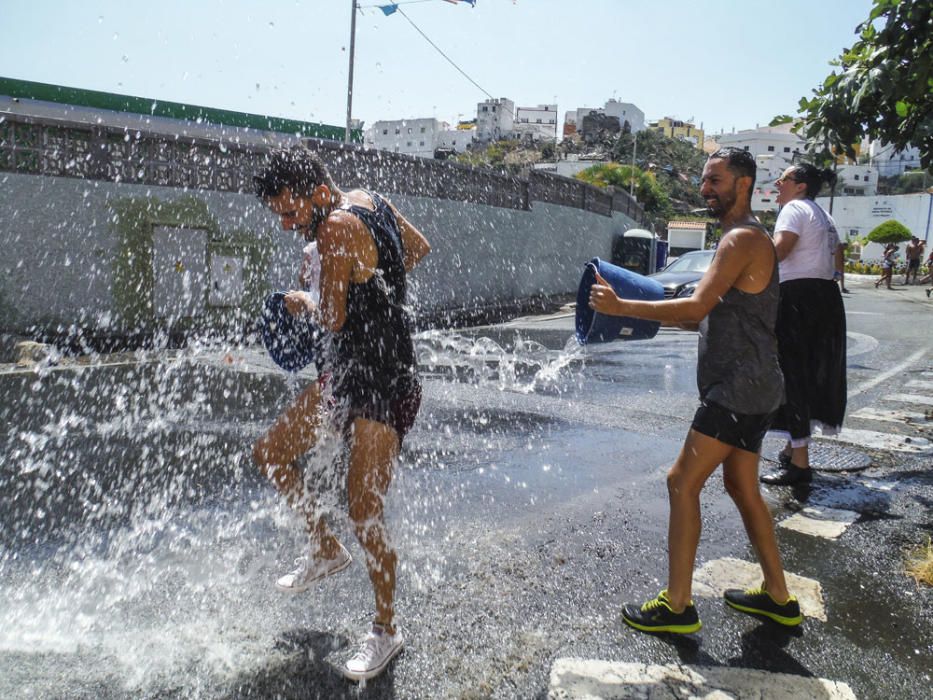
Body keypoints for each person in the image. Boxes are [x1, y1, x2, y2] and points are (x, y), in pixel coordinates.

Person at [589, 147, 801, 634]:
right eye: (704, 180)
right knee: (742, 487)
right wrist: (648, 311)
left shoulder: (740, 241)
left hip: (737, 391)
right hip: (757, 387)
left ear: (742, 184)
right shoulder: (744, 239)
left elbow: (694, 310)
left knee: (681, 481)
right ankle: (778, 597)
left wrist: (622, 308)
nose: (705, 189)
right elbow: (711, 318)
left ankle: (678, 606)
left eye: (715, 181)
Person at [252, 146, 431, 681]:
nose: (286, 225)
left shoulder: (331, 230)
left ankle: (386, 630)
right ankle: (324, 547)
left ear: (319, 194)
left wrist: (304, 298)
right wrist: (376, 281)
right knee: (272, 453)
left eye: (289, 212)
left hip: (383, 380)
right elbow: (417, 248)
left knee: (363, 509)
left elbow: (329, 316)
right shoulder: (372, 201)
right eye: (278, 215)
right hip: (344, 374)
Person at [761, 163, 847, 485]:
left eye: (784, 178)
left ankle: (800, 465)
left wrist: (744, 261)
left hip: (798, 297)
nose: (778, 183)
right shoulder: (824, 215)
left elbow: (779, 250)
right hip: (826, 297)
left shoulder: (793, 208)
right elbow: (838, 255)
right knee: (811, 375)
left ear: (799, 186)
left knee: (793, 375)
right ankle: (792, 449)